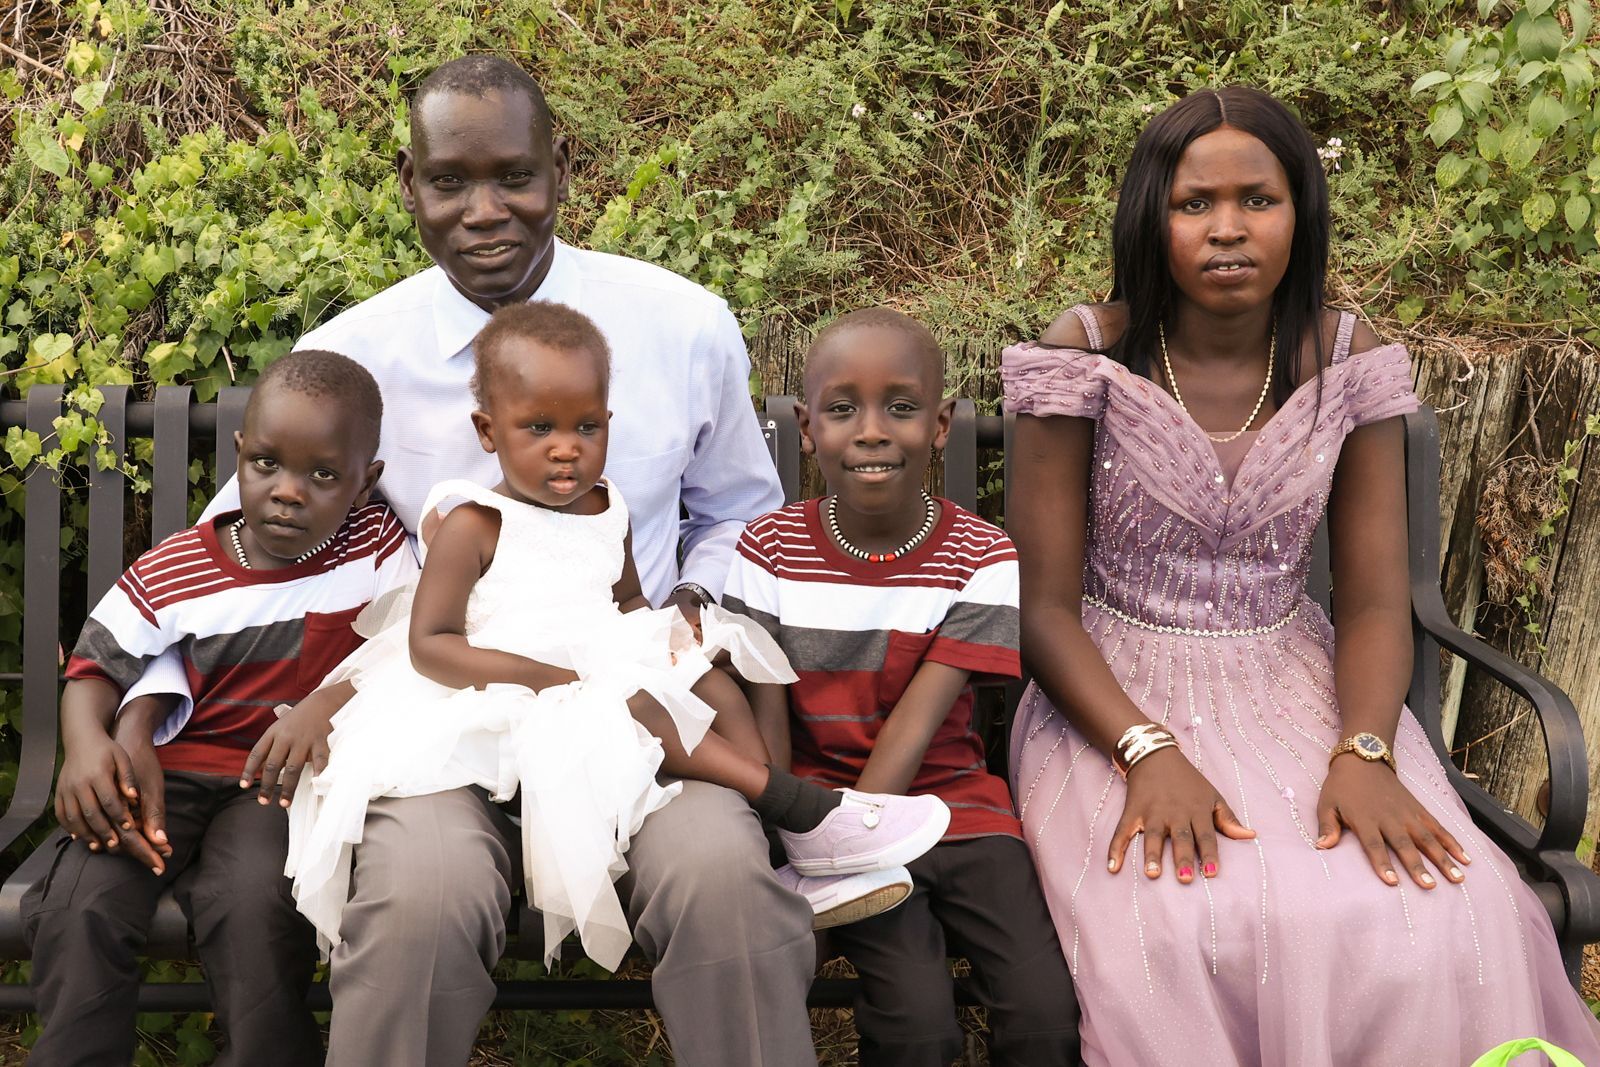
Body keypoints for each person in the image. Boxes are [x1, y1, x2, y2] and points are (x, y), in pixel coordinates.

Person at [132, 55, 885, 1065]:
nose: (483, 210)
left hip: (631, 713)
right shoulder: (354, 357)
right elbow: (235, 555)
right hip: (441, 722)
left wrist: (691, 604)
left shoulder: (680, 326)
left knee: (724, 881)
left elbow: (735, 514)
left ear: (561, 170)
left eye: (512, 177)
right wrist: (127, 697)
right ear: (409, 185)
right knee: (416, 899)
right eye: (449, 181)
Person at [1002, 85, 1600, 1065]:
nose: (1226, 228)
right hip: (1109, 691)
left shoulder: (1346, 359)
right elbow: (1042, 609)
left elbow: (1370, 600)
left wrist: (1363, 750)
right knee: (1192, 914)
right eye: (1194, 203)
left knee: (1444, 903)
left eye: (1258, 199)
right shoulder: (1087, 356)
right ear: (1150, 215)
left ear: (1300, 212)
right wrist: (1144, 752)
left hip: (1299, 681)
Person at [285, 302, 950, 971]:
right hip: (500, 679)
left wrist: (665, 639)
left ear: (609, 424)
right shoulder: (475, 523)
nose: (566, 446)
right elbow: (429, 642)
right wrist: (551, 679)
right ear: (488, 431)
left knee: (715, 683)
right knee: (640, 704)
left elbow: (627, 598)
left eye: (586, 426)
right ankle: (804, 808)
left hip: (596, 658)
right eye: (539, 427)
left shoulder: (609, 505)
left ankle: (783, 849)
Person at [22, 351, 417, 1067]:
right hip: (161, 778)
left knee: (257, 908)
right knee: (82, 902)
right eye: (266, 464)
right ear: (239, 456)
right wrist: (84, 746)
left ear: (367, 483)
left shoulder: (379, 550)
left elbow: (409, 649)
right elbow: (95, 667)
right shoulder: (177, 568)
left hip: (273, 790)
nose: (287, 493)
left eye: (322, 475)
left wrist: (328, 701)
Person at [722, 308, 1081, 1067]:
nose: (873, 430)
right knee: (917, 1024)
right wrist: (805, 840)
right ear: (807, 426)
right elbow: (768, 711)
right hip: (823, 820)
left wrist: (855, 835)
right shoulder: (768, 548)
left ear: (942, 423)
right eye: (843, 409)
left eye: (903, 407)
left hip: (957, 810)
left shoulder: (981, 552)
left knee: (1043, 1012)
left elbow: (920, 720)